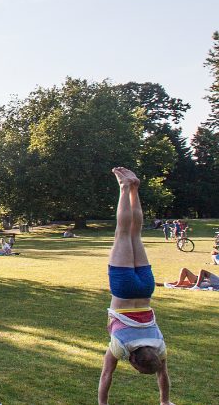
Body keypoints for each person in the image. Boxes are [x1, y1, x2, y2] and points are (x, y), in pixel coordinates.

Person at [98, 167, 173, 405]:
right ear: (133, 361)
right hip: (124, 289)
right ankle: (124, 187)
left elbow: (163, 373)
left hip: (146, 290)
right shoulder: (121, 348)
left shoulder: (159, 348)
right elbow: (106, 374)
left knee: (136, 234)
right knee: (123, 233)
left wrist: (165, 401)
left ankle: (135, 188)